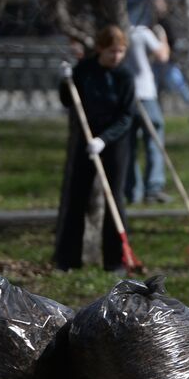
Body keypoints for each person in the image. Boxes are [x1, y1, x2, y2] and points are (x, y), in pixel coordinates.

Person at [53, 25, 136, 272]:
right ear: (100, 49)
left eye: (121, 51)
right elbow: (68, 100)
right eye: (112, 51)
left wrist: (104, 140)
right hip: (86, 141)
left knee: (115, 199)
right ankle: (66, 260)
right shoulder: (85, 70)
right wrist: (65, 81)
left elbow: (126, 116)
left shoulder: (125, 76)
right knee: (76, 197)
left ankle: (115, 261)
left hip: (114, 143)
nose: (117, 56)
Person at [123, 21, 171, 203]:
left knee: (129, 144)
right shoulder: (141, 32)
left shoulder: (119, 31)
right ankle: (153, 188)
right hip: (145, 95)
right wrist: (163, 38)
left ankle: (133, 191)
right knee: (154, 140)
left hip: (126, 96)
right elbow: (163, 55)